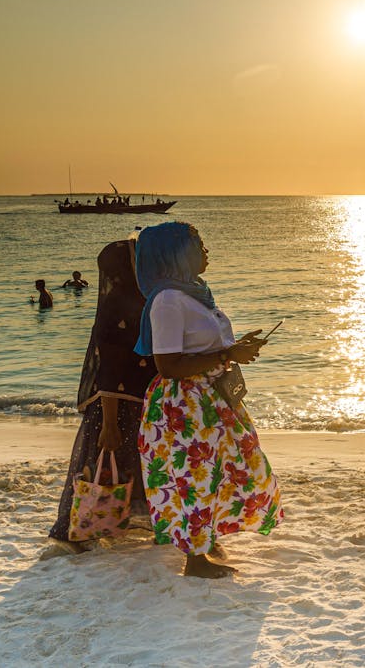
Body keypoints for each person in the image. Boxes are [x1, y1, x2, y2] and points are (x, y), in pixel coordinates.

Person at [134, 221, 283, 579]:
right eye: (197, 244)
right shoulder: (168, 299)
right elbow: (168, 365)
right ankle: (195, 559)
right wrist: (228, 353)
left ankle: (204, 539)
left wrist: (234, 349)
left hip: (213, 397)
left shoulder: (194, 293)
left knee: (234, 467)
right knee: (195, 477)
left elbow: (204, 347)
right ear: (176, 254)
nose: (205, 251)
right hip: (186, 402)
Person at [49, 239, 153, 551]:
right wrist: (109, 423)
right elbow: (109, 369)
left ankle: (113, 525)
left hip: (133, 402)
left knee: (118, 469)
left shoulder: (135, 298)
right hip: (115, 406)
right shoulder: (117, 303)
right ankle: (72, 533)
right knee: (99, 468)